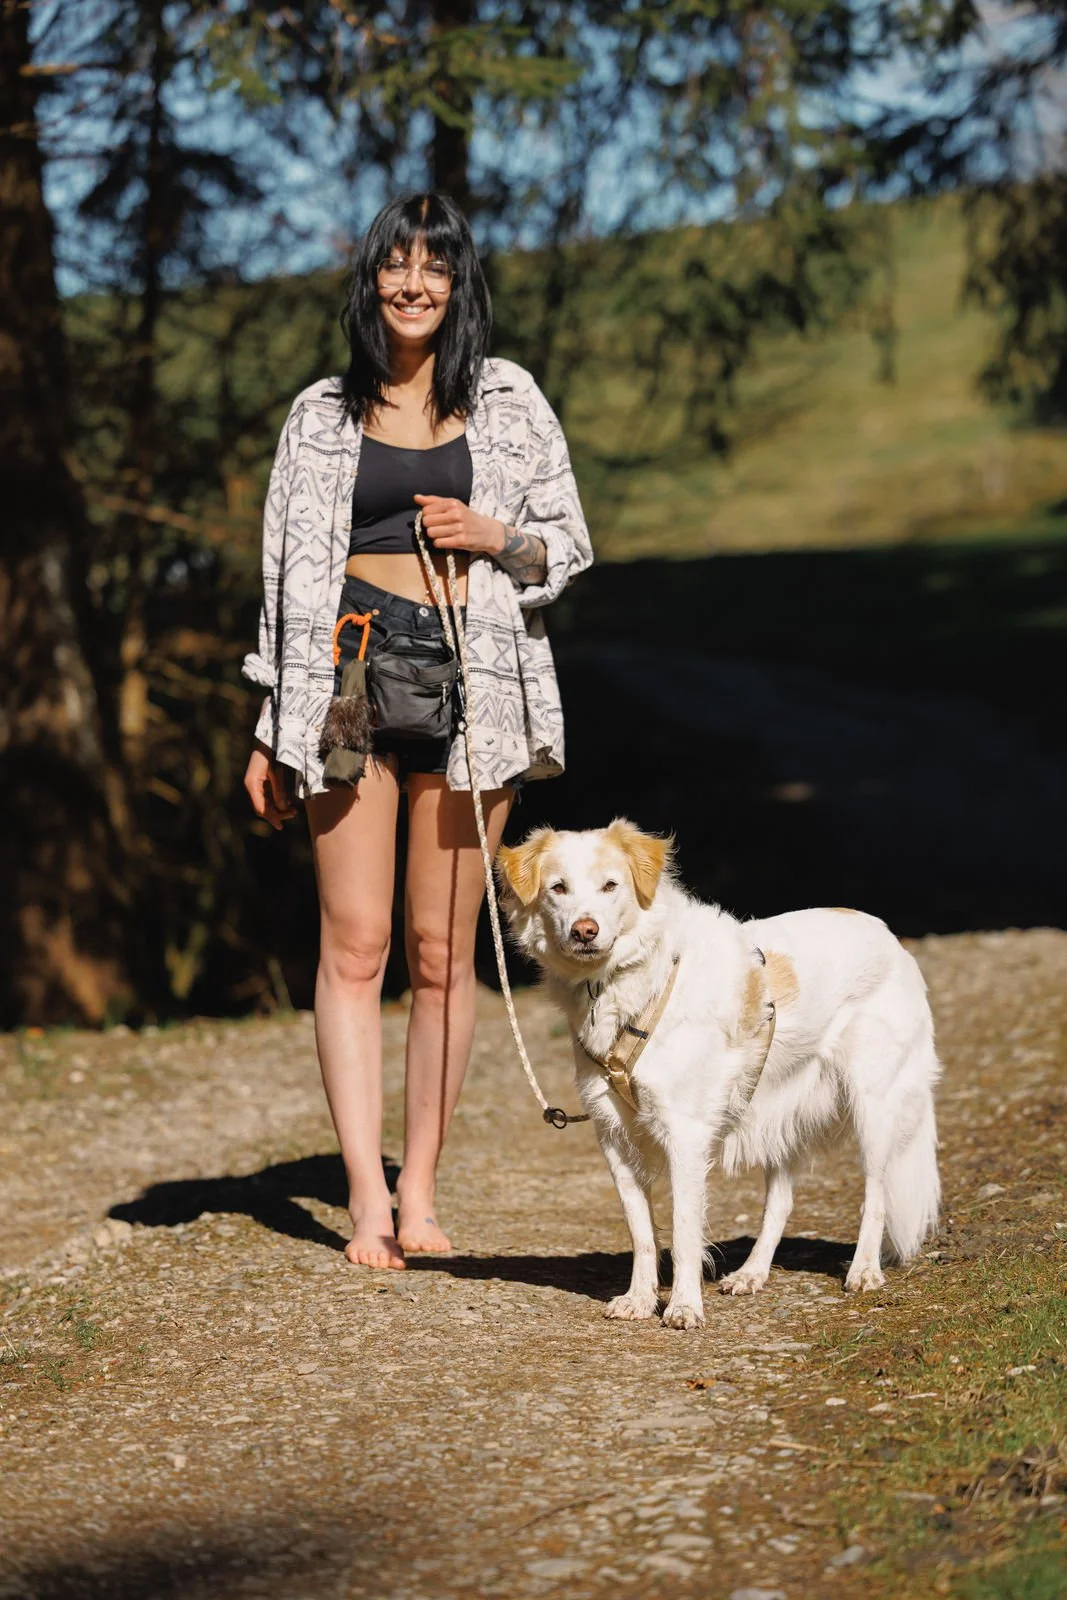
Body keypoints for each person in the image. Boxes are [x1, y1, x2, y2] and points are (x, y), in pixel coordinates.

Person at [242, 192, 592, 1269]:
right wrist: (269, 724)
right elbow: (275, 580)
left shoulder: (508, 399)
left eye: (433, 268)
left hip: (471, 677)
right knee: (355, 945)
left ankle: (422, 1188)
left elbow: (568, 548)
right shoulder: (317, 413)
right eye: (395, 266)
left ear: (457, 284)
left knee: (445, 951)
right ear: (370, 281)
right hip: (346, 672)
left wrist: (495, 536)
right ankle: (362, 1197)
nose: (412, 285)